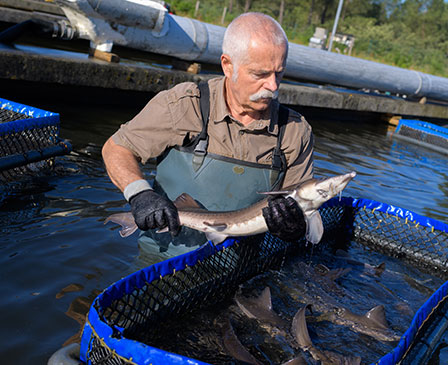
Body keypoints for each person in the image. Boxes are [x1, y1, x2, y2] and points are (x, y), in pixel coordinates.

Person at [102, 12, 314, 261]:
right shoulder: (184, 105)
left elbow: (299, 206)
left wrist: (294, 227)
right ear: (227, 65)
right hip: (163, 258)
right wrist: (140, 194)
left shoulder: (294, 131)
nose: (273, 86)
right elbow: (116, 148)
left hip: (239, 264)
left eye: (279, 73)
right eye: (260, 74)